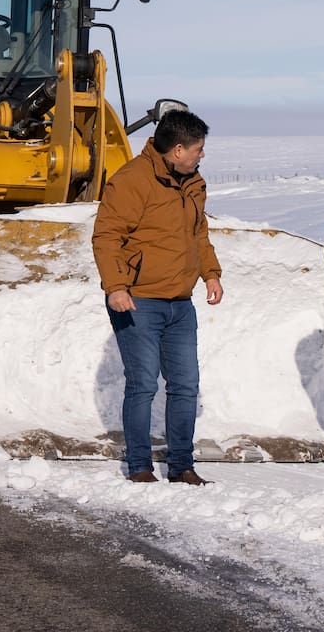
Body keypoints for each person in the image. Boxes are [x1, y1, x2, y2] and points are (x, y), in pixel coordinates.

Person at [92, 109, 223, 486]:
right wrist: (116, 286)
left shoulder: (193, 182)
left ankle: (181, 465)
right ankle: (139, 466)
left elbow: (199, 233)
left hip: (180, 303)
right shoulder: (131, 181)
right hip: (138, 301)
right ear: (178, 149)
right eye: (198, 149)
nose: (202, 155)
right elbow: (107, 236)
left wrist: (210, 273)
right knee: (143, 385)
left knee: (185, 385)